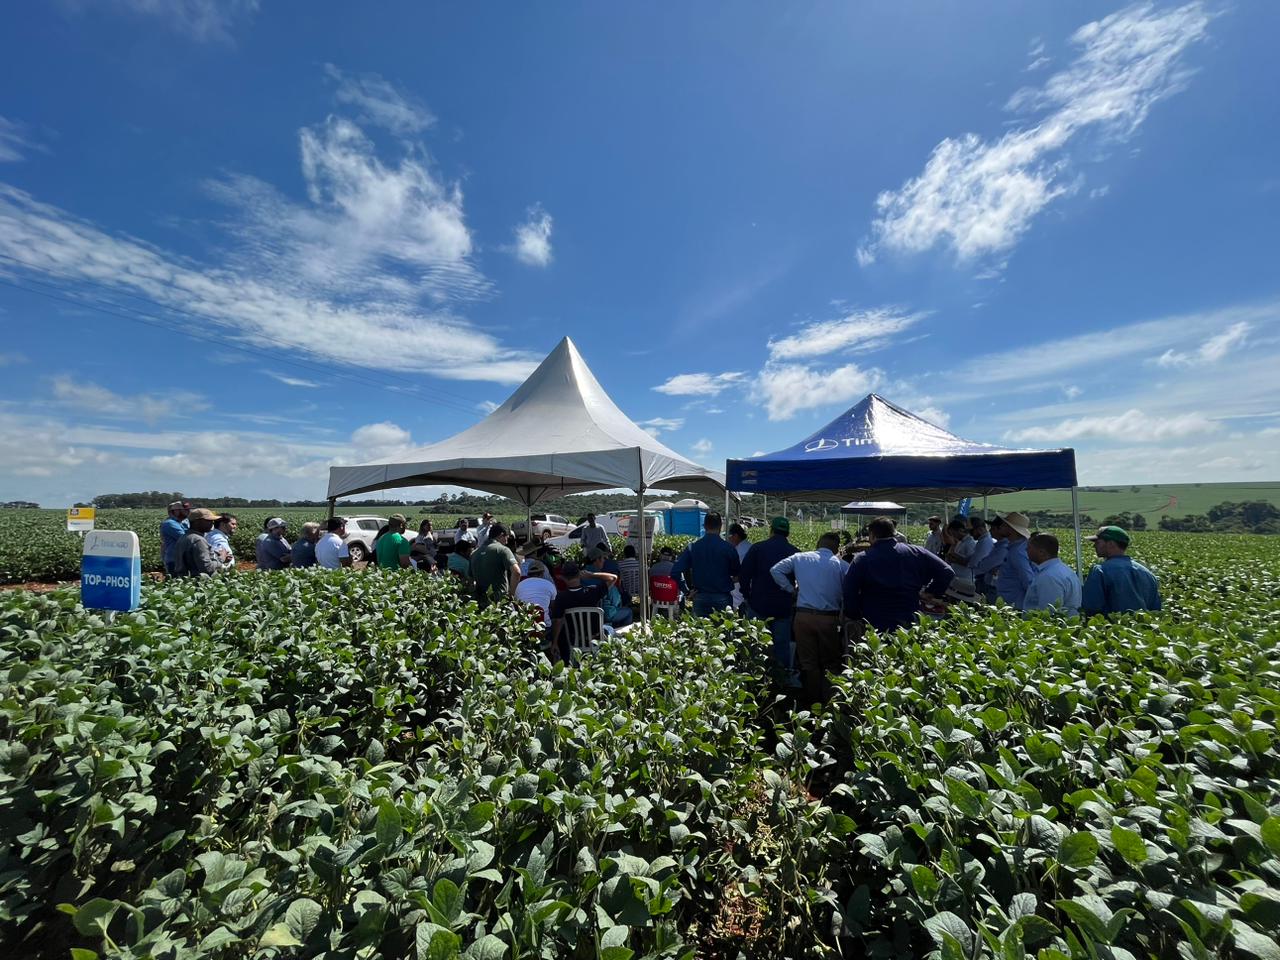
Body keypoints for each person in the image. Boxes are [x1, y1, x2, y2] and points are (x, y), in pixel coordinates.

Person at [769, 531, 849, 704]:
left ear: (818, 543)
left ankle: (812, 702)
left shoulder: (800, 557)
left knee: (808, 662)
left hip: (803, 617)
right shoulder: (841, 565)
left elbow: (775, 570)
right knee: (830, 663)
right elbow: (850, 590)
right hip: (829, 619)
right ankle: (830, 703)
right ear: (836, 549)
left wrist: (792, 590)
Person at [843, 516, 955, 633]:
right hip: (909, 617)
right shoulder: (916, 552)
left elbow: (849, 590)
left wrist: (854, 614)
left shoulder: (863, 558)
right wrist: (931, 592)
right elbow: (947, 571)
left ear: (872, 535)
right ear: (894, 533)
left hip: (874, 620)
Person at [739, 517, 799, 674]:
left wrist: (746, 595)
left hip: (758, 604)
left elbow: (744, 574)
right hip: (783, 607)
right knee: (781, 646)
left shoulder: (758, 548)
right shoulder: (795, 552)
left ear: (771, 530)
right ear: (788, 533)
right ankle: (781, 680)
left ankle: (755, 678)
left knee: (755, 643)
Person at [549, 561, 619, 663]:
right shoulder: (592, 592)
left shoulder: (561, 597)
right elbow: (613, 578)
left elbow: (558, 622)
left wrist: (554, 642)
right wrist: (591, 575)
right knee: (610, 628)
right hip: (596, 637)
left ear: (563, 578)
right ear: (579, 575)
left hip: (574, 639)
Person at [1082, 526, 1161, 616]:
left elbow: (1091, 607)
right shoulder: (1148, 573)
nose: (1094, 545)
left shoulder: (1100, 570)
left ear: (1111, 544)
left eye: (1098, 542)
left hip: (1110, 628)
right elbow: (1156, 610)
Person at [672, 512, 741, 616]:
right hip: (722, 597)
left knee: (700, 631)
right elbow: (737, 574)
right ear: (721, 526)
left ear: (704, 526)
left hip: (700, 596)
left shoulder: (693, 547)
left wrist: (686, 591)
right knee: (723, 630)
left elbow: (675, 572)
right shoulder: (729, 548)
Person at [1023, 533, 1082, 615]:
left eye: (1029, 548)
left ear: (1041, 552)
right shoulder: (1064, 570)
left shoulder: (1049, 577)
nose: (1026, 550)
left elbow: (1048, 613)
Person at [469, 522, 521, 607]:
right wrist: (511, 595)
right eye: (506, 538)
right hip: (498, 602)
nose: (506, 542)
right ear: (501, 535)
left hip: (480, 602)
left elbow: (470, 580)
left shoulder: (474, 554)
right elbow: (516, 572)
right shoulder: (503, 550)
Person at [992, 512, 1035, 608]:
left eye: (1004, 525)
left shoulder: (1017, 552)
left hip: (1014, 603)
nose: (1001, 527)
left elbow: (1028, 580)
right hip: (1011, 601)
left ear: (1010, 529)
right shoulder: (1017, 547)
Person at [585, 549, 634, 627]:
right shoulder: (604, 579)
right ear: (597, 560)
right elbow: (616, 600)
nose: (604, 560)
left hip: (585, 617)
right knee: (628, 612)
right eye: (603, 558)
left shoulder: (580, 577)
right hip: (604, 615)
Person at [171, 508, 222, 577]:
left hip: (184, 580)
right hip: (196, 582)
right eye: (208, 521)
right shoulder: (198, 540)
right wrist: (221, 559)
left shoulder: (184, 537)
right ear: (197, 522)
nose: (212, 523)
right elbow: (207, 568)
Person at [971, 517, 1009, 603]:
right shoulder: (999, 545)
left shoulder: (1003, 548)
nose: (990, 531)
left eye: (993, 528)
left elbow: (984, 565)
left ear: (1000, 529)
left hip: (992, 586)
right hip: (989, 583)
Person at [515, 559, 558, 628]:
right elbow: (554, 606)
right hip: (543, 625)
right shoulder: (549, 584)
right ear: (542, 573)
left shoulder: (519, 585)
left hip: (524, 625)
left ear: (528, 573)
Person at [161, 500, 191, 575]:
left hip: (182, 561)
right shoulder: (169, 524)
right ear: (176, 511)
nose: (188, 512)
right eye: (185, 510)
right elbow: (186, 538)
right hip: (175, 561)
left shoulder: (182, 522)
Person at [943, 517, 978, 582]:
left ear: (960, 530)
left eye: (953, 534)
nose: (953, 536)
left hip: (965, 579)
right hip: (957, 577)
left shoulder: (970, 543)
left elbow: (971, 563)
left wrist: (955, 558)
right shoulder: (960, 542)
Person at [727, 523, 750, 609]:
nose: (729, 539)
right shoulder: (748, 546)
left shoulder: (740, 552)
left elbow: (739, 574)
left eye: (730, 536)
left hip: (739, 591)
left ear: (736, 536)